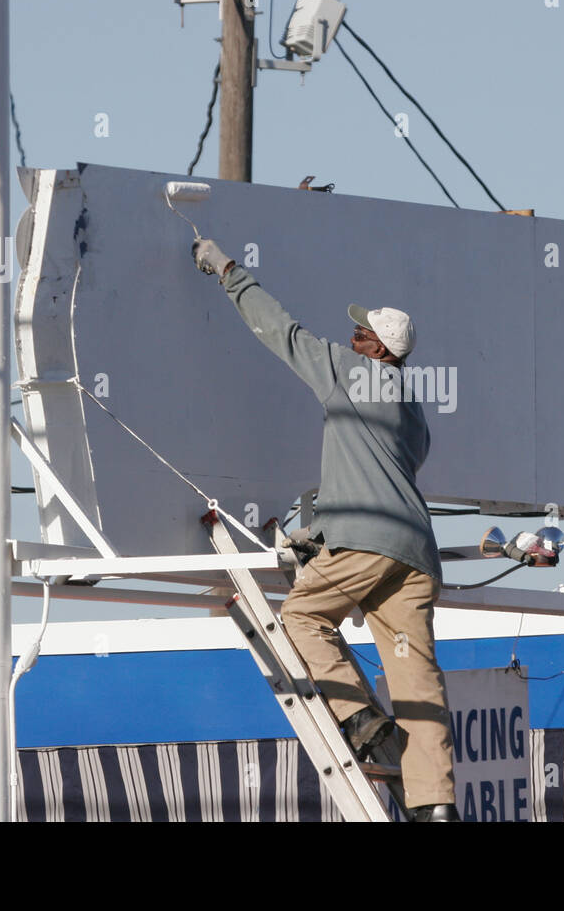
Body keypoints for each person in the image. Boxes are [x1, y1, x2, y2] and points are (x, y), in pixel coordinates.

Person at [192, 237, 459, 822]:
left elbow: (281, 332)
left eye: (361, 335)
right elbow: (387, 468)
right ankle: (436, 804)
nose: (351, 339)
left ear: (378, 351)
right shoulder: (412, 408)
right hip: (413, 556)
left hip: (366, 543)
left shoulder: (347, 373)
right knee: (415, 677)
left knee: (303, 618)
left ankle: (361, 720)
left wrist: (227, 270)